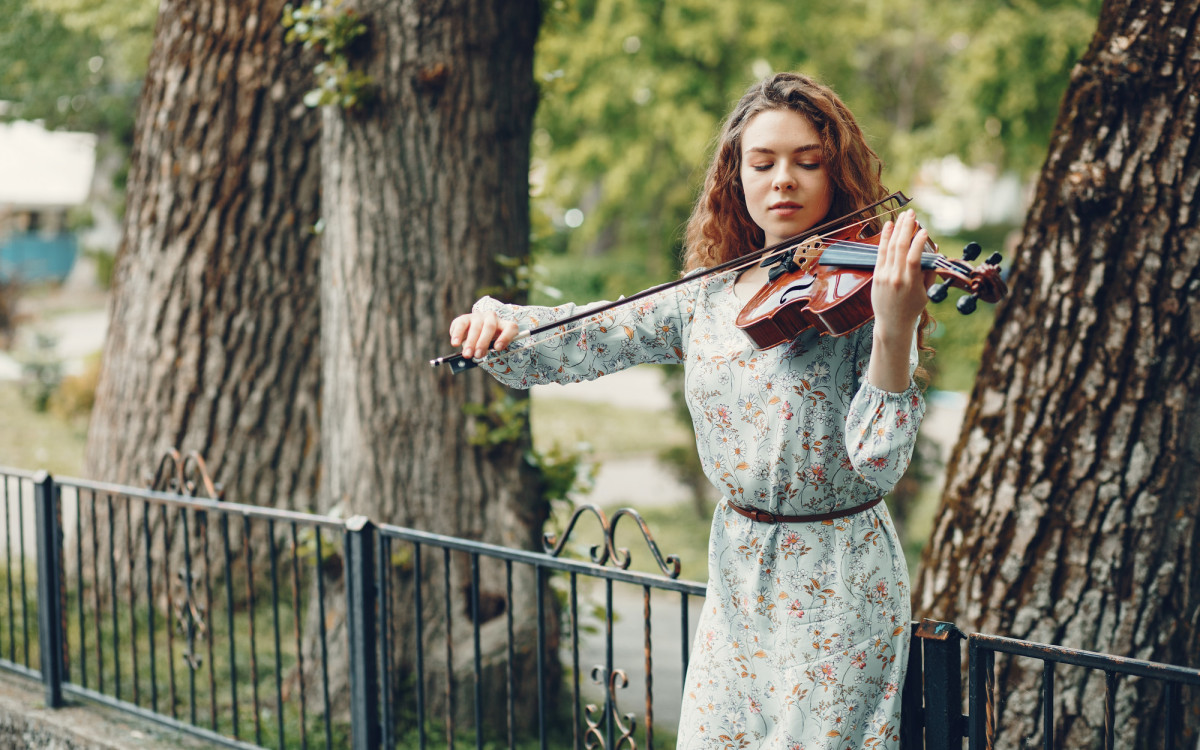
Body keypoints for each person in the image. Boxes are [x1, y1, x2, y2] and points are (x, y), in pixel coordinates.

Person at [448, 72, 931, 749]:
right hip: (738, 569)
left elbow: (880, 460)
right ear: (736, 177)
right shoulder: (708, 297)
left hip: (841, 577)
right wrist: (503, 326)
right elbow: (599, 331)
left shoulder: (867, 294)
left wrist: (895, 326)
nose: (783, 180)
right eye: (762, 163)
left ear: (835, 174)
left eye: (807, 161)